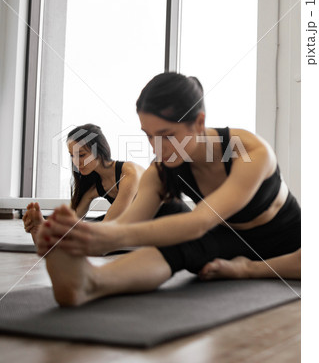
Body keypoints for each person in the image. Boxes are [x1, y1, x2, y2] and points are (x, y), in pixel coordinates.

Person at [35, 73, 301, 307]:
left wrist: (103, 236)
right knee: (174, 234)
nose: (157, 148)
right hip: (229, 240)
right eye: (149, 136)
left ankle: (251, 270)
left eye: (167, 135)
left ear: (198, 122)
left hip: (290, 241)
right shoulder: (161, 169)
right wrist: (73, 236)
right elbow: (126, 225)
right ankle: (91, 282)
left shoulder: (252, 151)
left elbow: (199, 222)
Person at [23, 124, 189, 244]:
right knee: (86, 229)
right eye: (72, 156)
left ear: (99, 151)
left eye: (81, 154)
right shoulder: (93, 188)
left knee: (98, 231)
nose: (76, 162)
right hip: (139, 224)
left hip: (171, 218)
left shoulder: (129, 172)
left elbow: (113, 223)